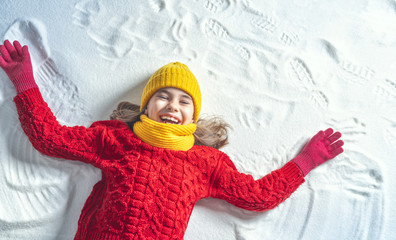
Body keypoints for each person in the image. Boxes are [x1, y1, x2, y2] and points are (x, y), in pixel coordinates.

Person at [0, 40, 344, 240]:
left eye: (183, 101)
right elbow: (50, 138)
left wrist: (307, 161)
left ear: (193, 117)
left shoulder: (205, 163)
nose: (172, 106)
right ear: (146, 105)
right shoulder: (119, 140)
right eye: (162, 96)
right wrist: (24, 81)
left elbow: (256, 197)